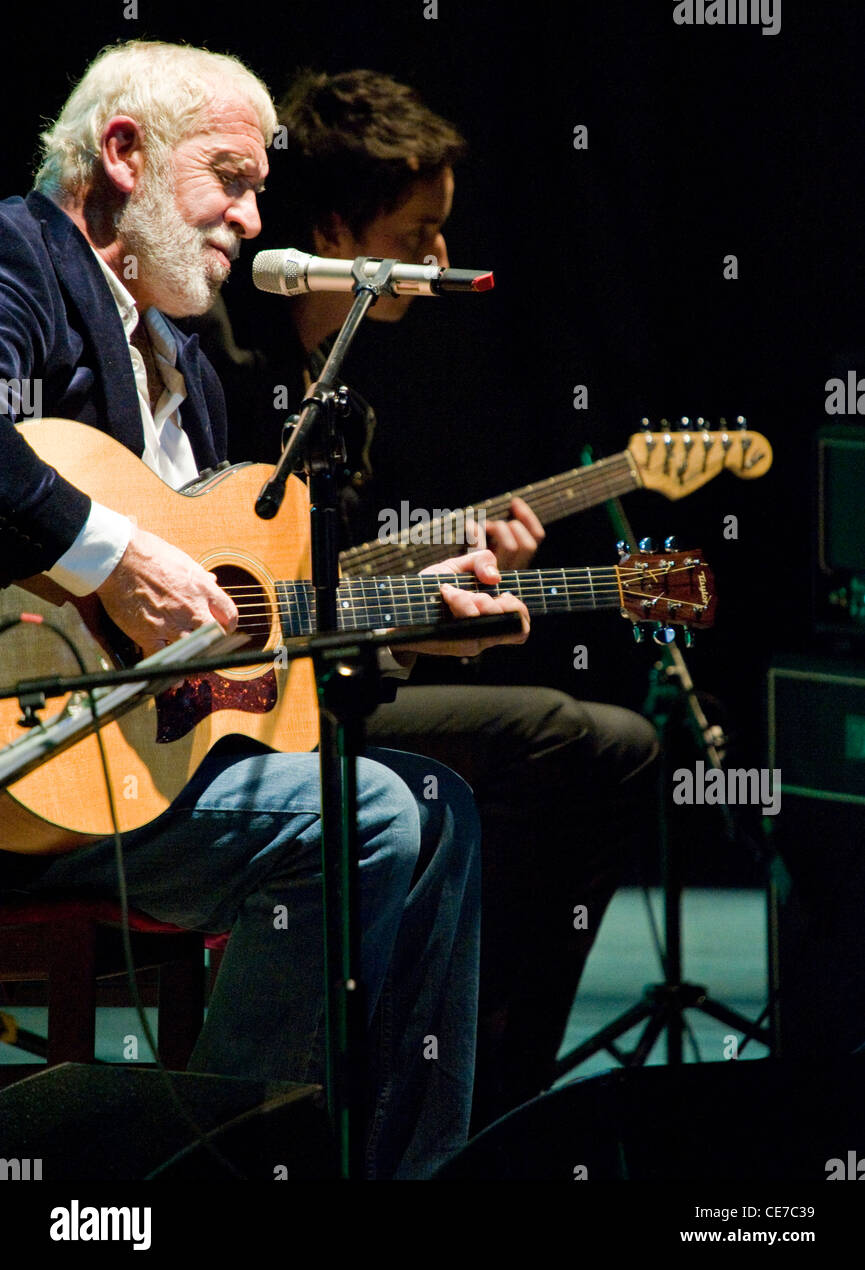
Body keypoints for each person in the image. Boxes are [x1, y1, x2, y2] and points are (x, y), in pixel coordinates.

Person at [0, 41, 530, 1179]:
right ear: (126, 153)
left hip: (143, 765)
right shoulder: (20, 259)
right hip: (31, 756)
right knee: (372, 816)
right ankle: (216, 1167)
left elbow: (230, 612)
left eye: (258, 191)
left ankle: (398, 1172)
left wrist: (397, 618)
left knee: (441, 806)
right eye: (230, 178)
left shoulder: (183, 354)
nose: (250, 217)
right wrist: (113, 559)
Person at [196, 68, 660, 1128]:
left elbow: (331, 587)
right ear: (335, 231)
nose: (442, 259)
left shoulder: (336, 389)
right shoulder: (222, 365)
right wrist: (407, 623)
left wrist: (432, 592)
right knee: (565, 738)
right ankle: (463, 1083)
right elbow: (258, 601)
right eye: (419, 230)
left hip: (318, 681)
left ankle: (469, 1071)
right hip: (236, 708)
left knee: (603, 740)